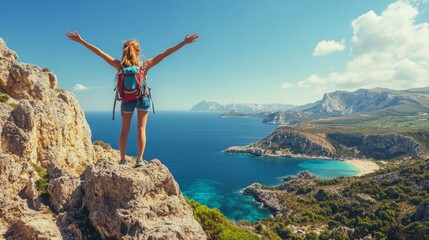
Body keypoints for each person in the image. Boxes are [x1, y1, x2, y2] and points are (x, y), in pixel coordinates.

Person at [66, 31, 199, 167]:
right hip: (143, 99)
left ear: (124, 51)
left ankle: (123, 160)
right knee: (141, 129)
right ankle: (140, 160)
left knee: (124, 131)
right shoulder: (144, 65)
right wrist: (184, 42)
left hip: (126, 101)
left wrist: (81, 41)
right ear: (138, 51)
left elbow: (99, 53)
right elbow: (166, 53)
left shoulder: (120, 66)